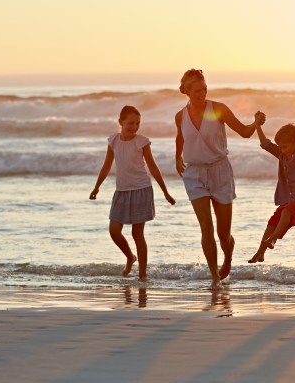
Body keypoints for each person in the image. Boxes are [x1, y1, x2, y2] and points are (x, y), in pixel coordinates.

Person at [175, 68, 265, 288]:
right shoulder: (180, 116)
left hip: (219, 172)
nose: (202, 93)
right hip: (194, 174)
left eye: (204, 88)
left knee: (223, 233)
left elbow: (244, 132)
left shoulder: (217, 109)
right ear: (186, 91)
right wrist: (178, 158)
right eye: (196, 90)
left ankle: (228, 258)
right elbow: (180, 136)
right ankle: (214, 277)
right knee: (206, 227)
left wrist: (256, 123)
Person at [90, 105, 175, 281]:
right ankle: (130, 257)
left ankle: (142, 275)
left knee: (138, 234)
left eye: (137, 123)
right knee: (114, 231)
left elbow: (152, 166)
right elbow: (107, 165)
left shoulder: (142, 142)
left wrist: (165, 192)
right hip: (121, 191)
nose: (134, 127)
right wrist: (97, 187)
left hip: (141, 190)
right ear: (120, 122)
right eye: (130, 123)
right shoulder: (113, 141)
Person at [248, 103, 295, 264]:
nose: (283, 150)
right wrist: (257, 125)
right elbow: (265, 143)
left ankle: (273, 240)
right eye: (281, 147)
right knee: (272, 221)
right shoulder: (282, 154)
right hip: (290, 201)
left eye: (285, 146)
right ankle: (260, 253)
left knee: (286, 211)